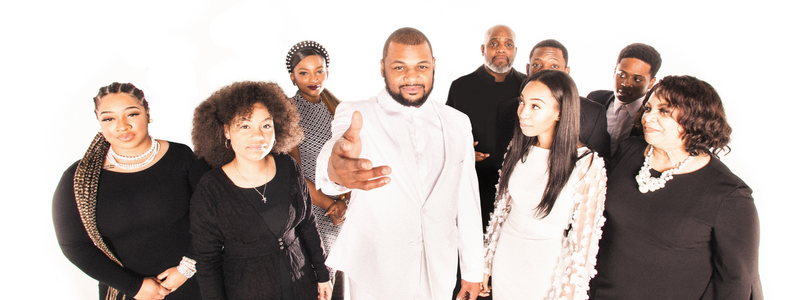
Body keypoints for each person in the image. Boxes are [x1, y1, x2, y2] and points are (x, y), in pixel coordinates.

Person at [315, 27, 484, 300]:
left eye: (421, 66)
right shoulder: (356, 114)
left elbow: (467, 197)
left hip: (438, 270)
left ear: (434, 66)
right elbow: (336, 151)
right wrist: (335, 168)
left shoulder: (458, 122)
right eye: (399, 67)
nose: (412, 77)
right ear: (382, 68)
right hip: (376, 271)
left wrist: (473, 269)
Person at [588, 75, 762, 299]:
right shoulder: (628, 151)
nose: (649, 117)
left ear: (696, 119)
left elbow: (736, 281)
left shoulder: (729, 194)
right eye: (649, 108)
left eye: (664, 111)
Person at [52, 82, 208, 300]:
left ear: (147, 114)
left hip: (195, 286)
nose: (122, 126)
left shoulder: (182, 158)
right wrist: (134, 286)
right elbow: (75, 245)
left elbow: (215, 217)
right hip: (125, 293)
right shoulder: (80, 178)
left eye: (132, 114)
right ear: (99, 121)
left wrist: (187, 268)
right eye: (109, 118)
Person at [190, 81, 332, 300]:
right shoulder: (211, 188)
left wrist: (323, 275)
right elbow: (207, 262)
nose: (258, 137)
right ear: (226, 131)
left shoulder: (288, 166)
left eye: (266, 125)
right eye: (245, 126)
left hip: (302, 285)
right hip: (248, 290)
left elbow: (307, 224)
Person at [481, 70, 607, 300]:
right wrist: (487, 260)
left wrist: (568, 293)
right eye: (522, 102)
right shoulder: (518, 147)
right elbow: (502, 209)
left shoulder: (586, 164)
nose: (523, 113)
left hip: (545, 267)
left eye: (535, 106)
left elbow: (583, 243)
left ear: (559, 111)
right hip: (506, 257)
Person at [446, 24, 527, 228]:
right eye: (494, 43)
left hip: (517, 186)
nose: (501, 49)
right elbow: (446, 135)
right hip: (473, 183)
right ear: (483, 50)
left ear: (515, 51)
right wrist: (463, 153)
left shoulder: (528, 86)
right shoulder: (461, 86)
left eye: (508, 44)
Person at [285, 40, 348, 297]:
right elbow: (293, 172)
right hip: (310, 207)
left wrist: (344, 202)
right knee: (319, 280)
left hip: (345, 210)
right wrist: (329, 204)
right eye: (304, 72)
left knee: (345, 283)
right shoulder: (288, 111)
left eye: (319, 70)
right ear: (292, 77)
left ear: (327, 72)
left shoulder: (340, 108)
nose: (313, 78)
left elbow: (353, 160)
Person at [496, 39, 611, 162]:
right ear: (527, 69)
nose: (545, 71)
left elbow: (601, 167)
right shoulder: (508, 109)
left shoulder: (593, 114)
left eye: (554, 66)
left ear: (567, 72)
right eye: (536, 65)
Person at [586, 43, 661, 156]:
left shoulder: (653, 116)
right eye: (621, 75)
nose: (625, 83)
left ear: (651, 83)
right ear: (614, 71)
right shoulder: (594, 99)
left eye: (637, 79)